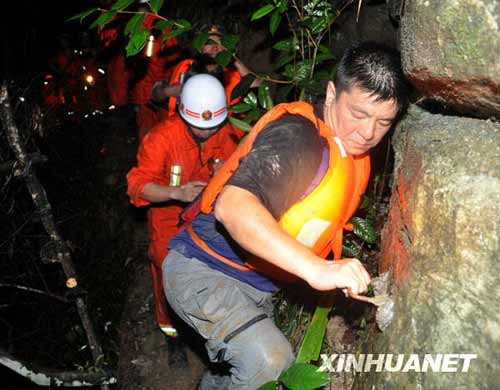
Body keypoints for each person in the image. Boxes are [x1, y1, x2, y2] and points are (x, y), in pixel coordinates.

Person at [162, 42, 410, 388]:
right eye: (358, 114)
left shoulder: (352, 154)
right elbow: (233, 206)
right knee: (271, 361)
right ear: (331, 94)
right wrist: (316, 269)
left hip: (255, 285)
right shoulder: (297, 139)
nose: (368, 133)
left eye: (383, 121)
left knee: (235, 375)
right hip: (204, 271)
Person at [126, 74, 243, 337]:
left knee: (219, 266)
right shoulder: (162, 139)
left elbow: (246, 163)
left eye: (214, 125)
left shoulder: (227, 132)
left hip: (209, 215)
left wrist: (229, 174)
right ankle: (171, 332)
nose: (208, 131)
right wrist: (177, 193)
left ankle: (210, 327)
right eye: (201, 126)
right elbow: (136, 186)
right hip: (168, 219)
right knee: (166, 267)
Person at [137, 25, 258, 141]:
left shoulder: (233, 75)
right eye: (208, 43)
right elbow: (154, 95)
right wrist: (169, 91)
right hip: (182, 134)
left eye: (220, 43)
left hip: (219, 139)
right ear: (199, 46)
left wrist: (233, 59)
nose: (215, 47)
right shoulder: (185, 67)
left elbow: (258, 87)